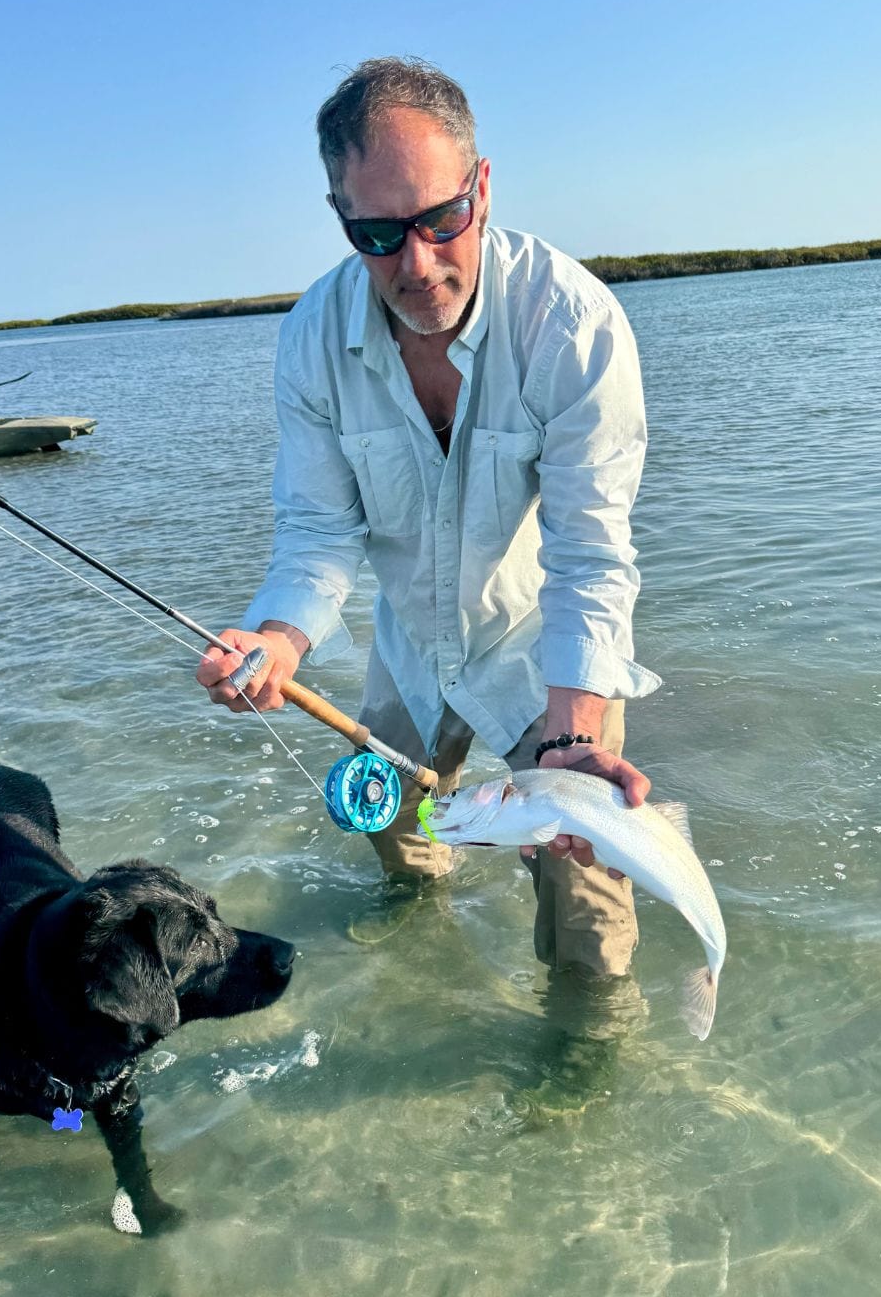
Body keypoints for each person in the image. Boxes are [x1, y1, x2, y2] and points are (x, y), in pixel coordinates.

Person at [198, 56, 660, 987]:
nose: (416, 264)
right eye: (376, 233)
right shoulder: (311, 340)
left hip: (545, 648)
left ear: (481, 187)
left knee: (586, 899)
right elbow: (320, 533)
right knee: (394, 837)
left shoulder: (573, 326)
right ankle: (421, 970)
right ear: (340, 219)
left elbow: (591, 555)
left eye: (441, 220)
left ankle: (589, 1060)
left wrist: (573, 743)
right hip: (408, 646)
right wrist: (279, 643)